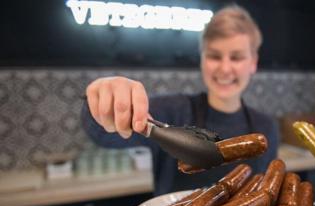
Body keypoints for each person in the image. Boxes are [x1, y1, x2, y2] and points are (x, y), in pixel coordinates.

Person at [81, 5, 279, 195]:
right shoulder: (173, 111)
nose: (225, 68)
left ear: (253, 63)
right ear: (202, 59)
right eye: (214, 56)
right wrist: (102, 101)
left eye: (236, 57)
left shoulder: (265, 127)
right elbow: (104, 134)